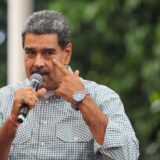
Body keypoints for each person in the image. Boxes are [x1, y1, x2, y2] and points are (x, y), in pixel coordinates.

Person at [0, 10, 139, 160]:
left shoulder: (102, 97)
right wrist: (12, 121)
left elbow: (127, 155)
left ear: (66, 53)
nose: (38, 63)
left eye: (48, 53)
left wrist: (83, 100)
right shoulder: (4, 98)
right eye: (31, 52)